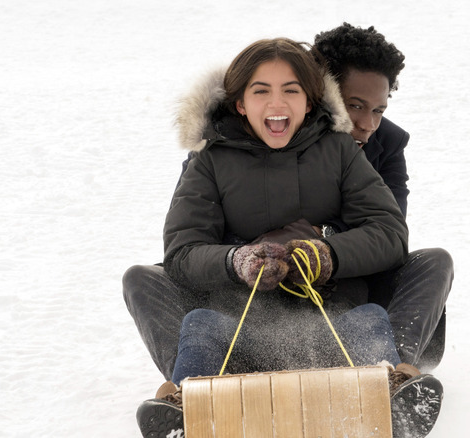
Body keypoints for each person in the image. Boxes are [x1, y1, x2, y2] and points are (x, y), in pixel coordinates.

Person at [129, 37, 442, 438]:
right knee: (192, 317)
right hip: (241, 328)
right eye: (261, 92)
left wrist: (327, 253)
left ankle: (390, 390)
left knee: (373, 317)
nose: (277, 104)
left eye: (291, 91)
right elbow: (183, 252)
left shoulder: (341, 152)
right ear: (241, 103)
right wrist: (234, 260)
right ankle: (187, 404)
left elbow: (389, 232)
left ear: (309, 102)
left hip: (334, 324)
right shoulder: (210, 161)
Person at [311, 23, 454, 368]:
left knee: (435, 261)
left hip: (360, 286)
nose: (368, 124)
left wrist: (327, 239)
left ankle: (392, 374)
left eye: (378, 110)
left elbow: (389, 235)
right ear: (324, 95)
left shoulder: (388, 144)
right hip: (283, 291)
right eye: (355, 105)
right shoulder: (284, 135)